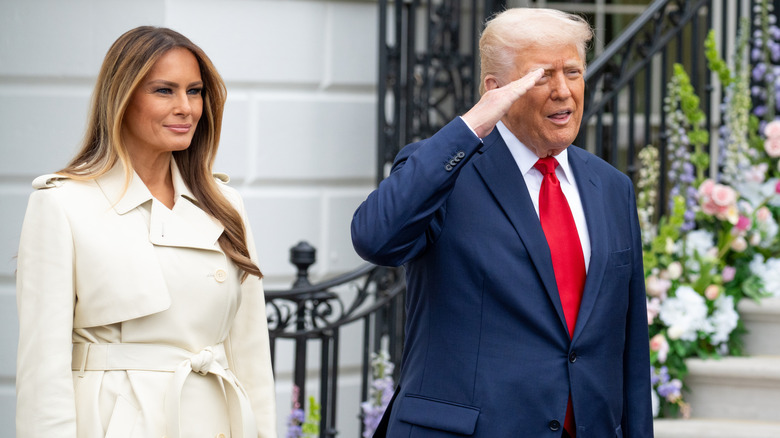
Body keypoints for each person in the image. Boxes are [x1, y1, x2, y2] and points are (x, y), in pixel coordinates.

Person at [352, 8, 653, 438]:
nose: (563, 91)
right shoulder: (444, 169)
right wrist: (473, 125)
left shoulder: (611, 187)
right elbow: (375, 238)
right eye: (542, 76)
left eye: (573, 72)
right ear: (496, 90)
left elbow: (630, 348)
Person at [15, 26, 276, 438]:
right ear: (121, 97)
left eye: (195, 91)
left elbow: (251, 356)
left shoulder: (224, 205)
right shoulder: (63, 204)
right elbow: (42, 370)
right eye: (164, 91)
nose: (186, 108)